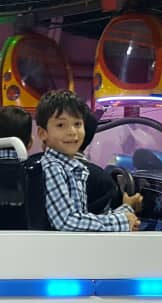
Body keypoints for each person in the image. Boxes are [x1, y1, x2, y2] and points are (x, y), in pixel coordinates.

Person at [37, 90, 141, 232]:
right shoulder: (54, 168)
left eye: (77, 124)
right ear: (42, 133)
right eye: (61, 125)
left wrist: (125, 214)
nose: (72, 131)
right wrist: (122, 221)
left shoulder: (72, 167)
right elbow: (67, 222)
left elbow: (83, 218)